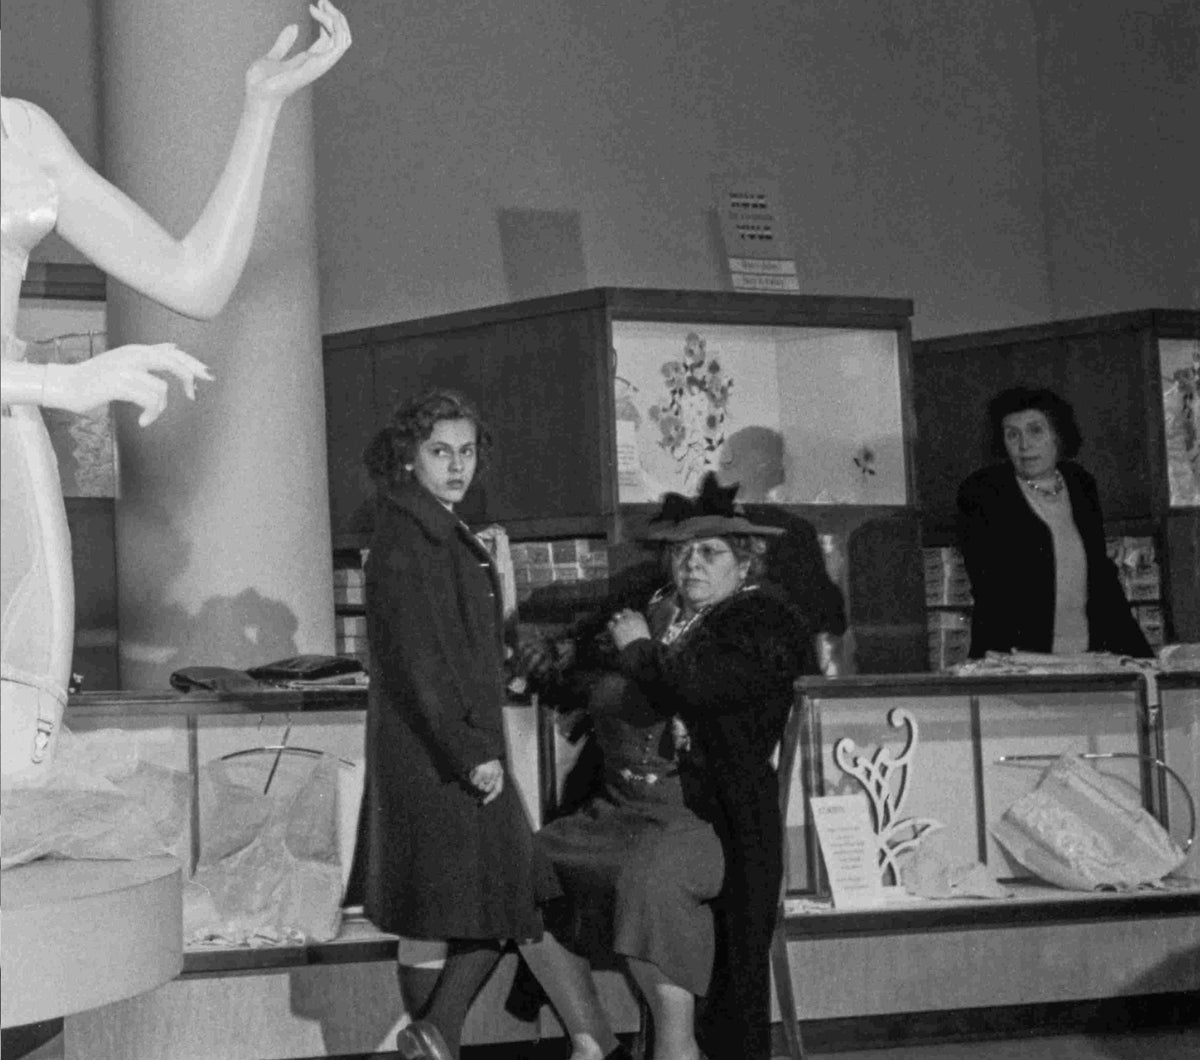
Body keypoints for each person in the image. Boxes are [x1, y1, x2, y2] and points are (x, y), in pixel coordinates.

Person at [0, 3, 352, 780]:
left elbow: (196, 280)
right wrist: (62, 381)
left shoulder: (22, 132)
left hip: (12, 454)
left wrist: (261, 106)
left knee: (21, 743)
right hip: (28, 400)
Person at [517, 472, 815, 1060]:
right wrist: (556, 659)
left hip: (706, 819)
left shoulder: (761, 622)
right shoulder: (655, 612)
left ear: (744, 563)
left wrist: (635, 648)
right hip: (620, 810)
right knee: (524, 867)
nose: (691, 563)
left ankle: (678, 1049)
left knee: (650, 881)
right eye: (681, 552)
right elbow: (585, 680)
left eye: (709, 553)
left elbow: (696, 688)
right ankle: (592, 1038)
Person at [346, 389, 555, 1060]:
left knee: (440, 911)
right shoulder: (412, 537)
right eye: (441, 451)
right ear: (410, 457)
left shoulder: (428, 528)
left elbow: (456, 647)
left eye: (466, 451)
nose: (457, 465)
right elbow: (420, 662)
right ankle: (438, 1033)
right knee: (507, 896)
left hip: (437, 751)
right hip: (444, 755)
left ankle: (436, 1040)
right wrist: (470, 752)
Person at [956, 386, 1151, 659]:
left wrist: (1140, 657)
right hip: (1016, 658)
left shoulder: (1080, 484)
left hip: (1089, 654)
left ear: (1057, 435)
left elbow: (1100, 576)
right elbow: (993, 590)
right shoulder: (983, 492)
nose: (1024, 445)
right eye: (1012, 434)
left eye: (1036, 431)